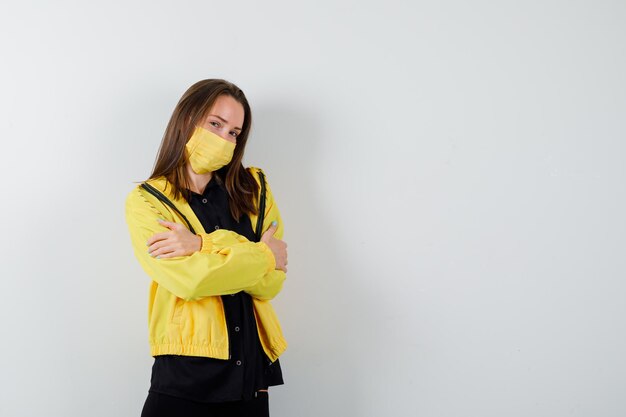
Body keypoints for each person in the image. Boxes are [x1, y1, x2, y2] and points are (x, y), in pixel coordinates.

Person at [124, 79, 289, 417]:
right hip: (184, 380)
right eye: (215, 124)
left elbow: (272, 282)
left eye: (234, 132)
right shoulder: (147, 201)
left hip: (251, 379)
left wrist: (200, 244)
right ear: (187, 119)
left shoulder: (255, 188)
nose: (224, 138)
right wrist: (262, 255)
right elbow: (191, 282)